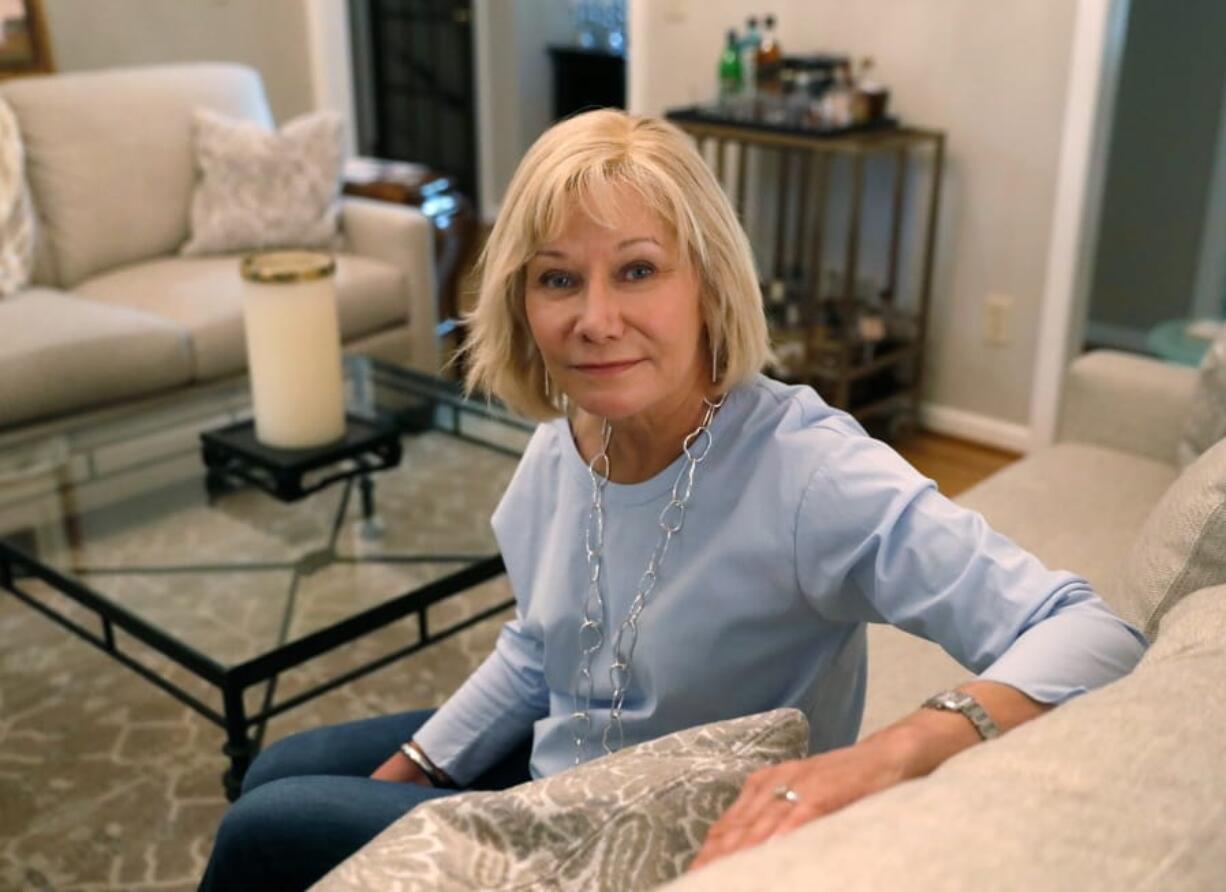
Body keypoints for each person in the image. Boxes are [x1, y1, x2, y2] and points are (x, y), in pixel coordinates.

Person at [200, 109, 1146, 889]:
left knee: (266, 829)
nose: (594, 320)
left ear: (708, 283)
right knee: (285, 767)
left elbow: (1089, 632)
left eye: (638, 270)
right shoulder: (560, 446)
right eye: (558, 279)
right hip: (563, 774)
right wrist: (422, 770)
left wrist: (883, 756)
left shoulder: (810, 474)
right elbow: (541, 646)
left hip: (665, 833)